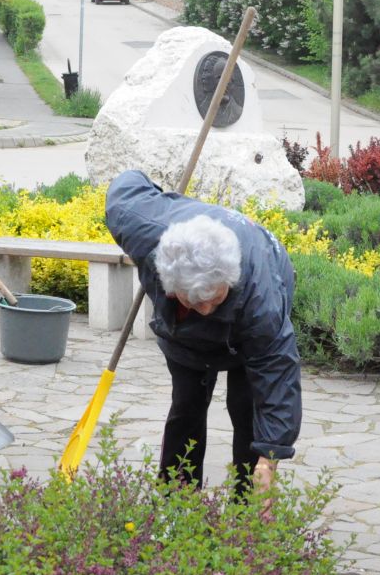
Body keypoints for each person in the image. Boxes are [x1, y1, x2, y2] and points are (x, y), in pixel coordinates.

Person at [104, 169, 301, 502]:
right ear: (169, 282)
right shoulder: (144, 230)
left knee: (246, 408)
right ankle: (176, 501)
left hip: (253, 309)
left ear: (230, 280)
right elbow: (124, 188)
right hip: (182, 332)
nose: (207, 309)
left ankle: (248, 507)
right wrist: (166, 197)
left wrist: (269, 458)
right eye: (195, 301)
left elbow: (278, 378)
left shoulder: (261, 300)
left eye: (215, 298)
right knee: (187, 404)